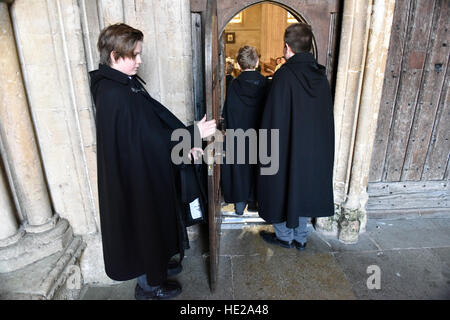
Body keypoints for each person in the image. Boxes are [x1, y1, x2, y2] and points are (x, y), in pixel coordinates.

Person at [89, 23, 216, 300]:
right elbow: (145, 141)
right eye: (134, 55)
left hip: (144, 172)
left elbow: (151, 125)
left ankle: (156, 269)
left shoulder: (122, 84)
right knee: (144, 228)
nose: (140, 61)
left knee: (152, 226)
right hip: (136, 179)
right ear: (113, 55)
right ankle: (149, 287)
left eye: (139, 54)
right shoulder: (114, 94)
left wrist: (187, 138)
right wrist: (193, 134)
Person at [258, 23, 335, 250]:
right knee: (303, 189)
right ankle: (301, 238)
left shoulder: (284, 76)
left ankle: (284, 236)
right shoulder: (321, 77)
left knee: (281, 188)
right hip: (313, 150)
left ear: (287, 47)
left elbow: (273, 118)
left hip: (287, 147)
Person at [221, 46, 267, 215]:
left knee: (239, 170)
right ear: (257, 62)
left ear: (239, 66)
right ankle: (256, 204)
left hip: (238, 136)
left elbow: (228, 112)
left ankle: (239, 207)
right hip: (260, 136)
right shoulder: (266, 85)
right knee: (259, 169)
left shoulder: (233, 86)